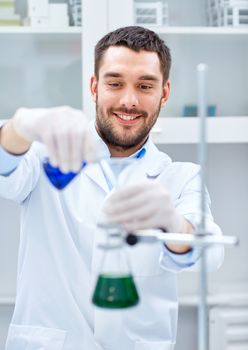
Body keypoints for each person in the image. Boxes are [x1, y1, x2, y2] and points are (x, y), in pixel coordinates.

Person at [0, 26, 224, 350]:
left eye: (145, 85)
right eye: (115, 83)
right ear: (94, 86)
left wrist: (174, 226)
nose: (129, 100)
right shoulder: (44, 156)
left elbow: (210, 253)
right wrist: (18, 128)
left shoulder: (182, 177)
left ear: (165, 92)